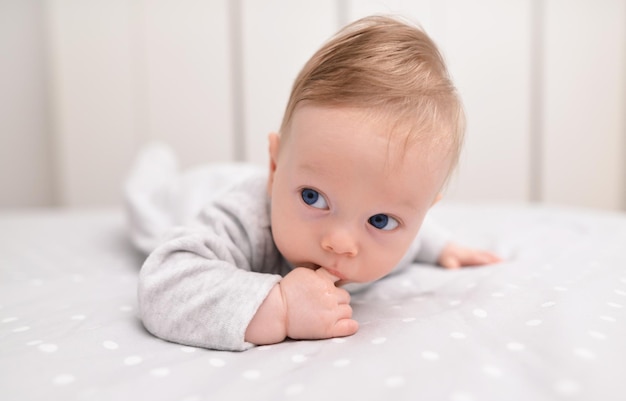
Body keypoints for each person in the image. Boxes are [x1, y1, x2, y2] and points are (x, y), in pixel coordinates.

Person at [131, 15, 500, 352]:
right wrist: (280, 307)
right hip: (194, 195)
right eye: (313, 197)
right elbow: (163, 286)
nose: (340, 243)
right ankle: (154, 167)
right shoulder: (242, 222)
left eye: (380, 221)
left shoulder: (393, 227)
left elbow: (415, 232)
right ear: (275, 166)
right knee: (145, 202)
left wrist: (443, 247)